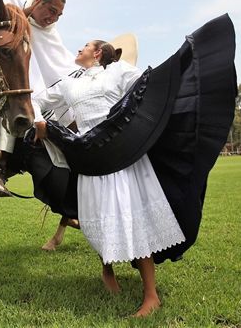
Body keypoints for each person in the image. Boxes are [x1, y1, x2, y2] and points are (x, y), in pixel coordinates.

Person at [32, 40, 186, 317]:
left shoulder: (118, 72)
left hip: (121, 155)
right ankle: (107, 268)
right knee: (97, 219)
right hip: (90, 159)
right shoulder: (69, 83)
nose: (78, 49)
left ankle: (151, 295)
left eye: (85, 46)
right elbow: (37, 99)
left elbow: (148, 87)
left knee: (133, 218)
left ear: (98, 52)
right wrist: (38, 122)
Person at [0, 0, 84, 209]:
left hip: (30, 88)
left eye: (58, 15)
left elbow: (58, 64)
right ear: (38, 0)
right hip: (1, 75)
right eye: (51, 10)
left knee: (19, 100)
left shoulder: (50, 33)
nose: (53, 18)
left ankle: (5, 164)